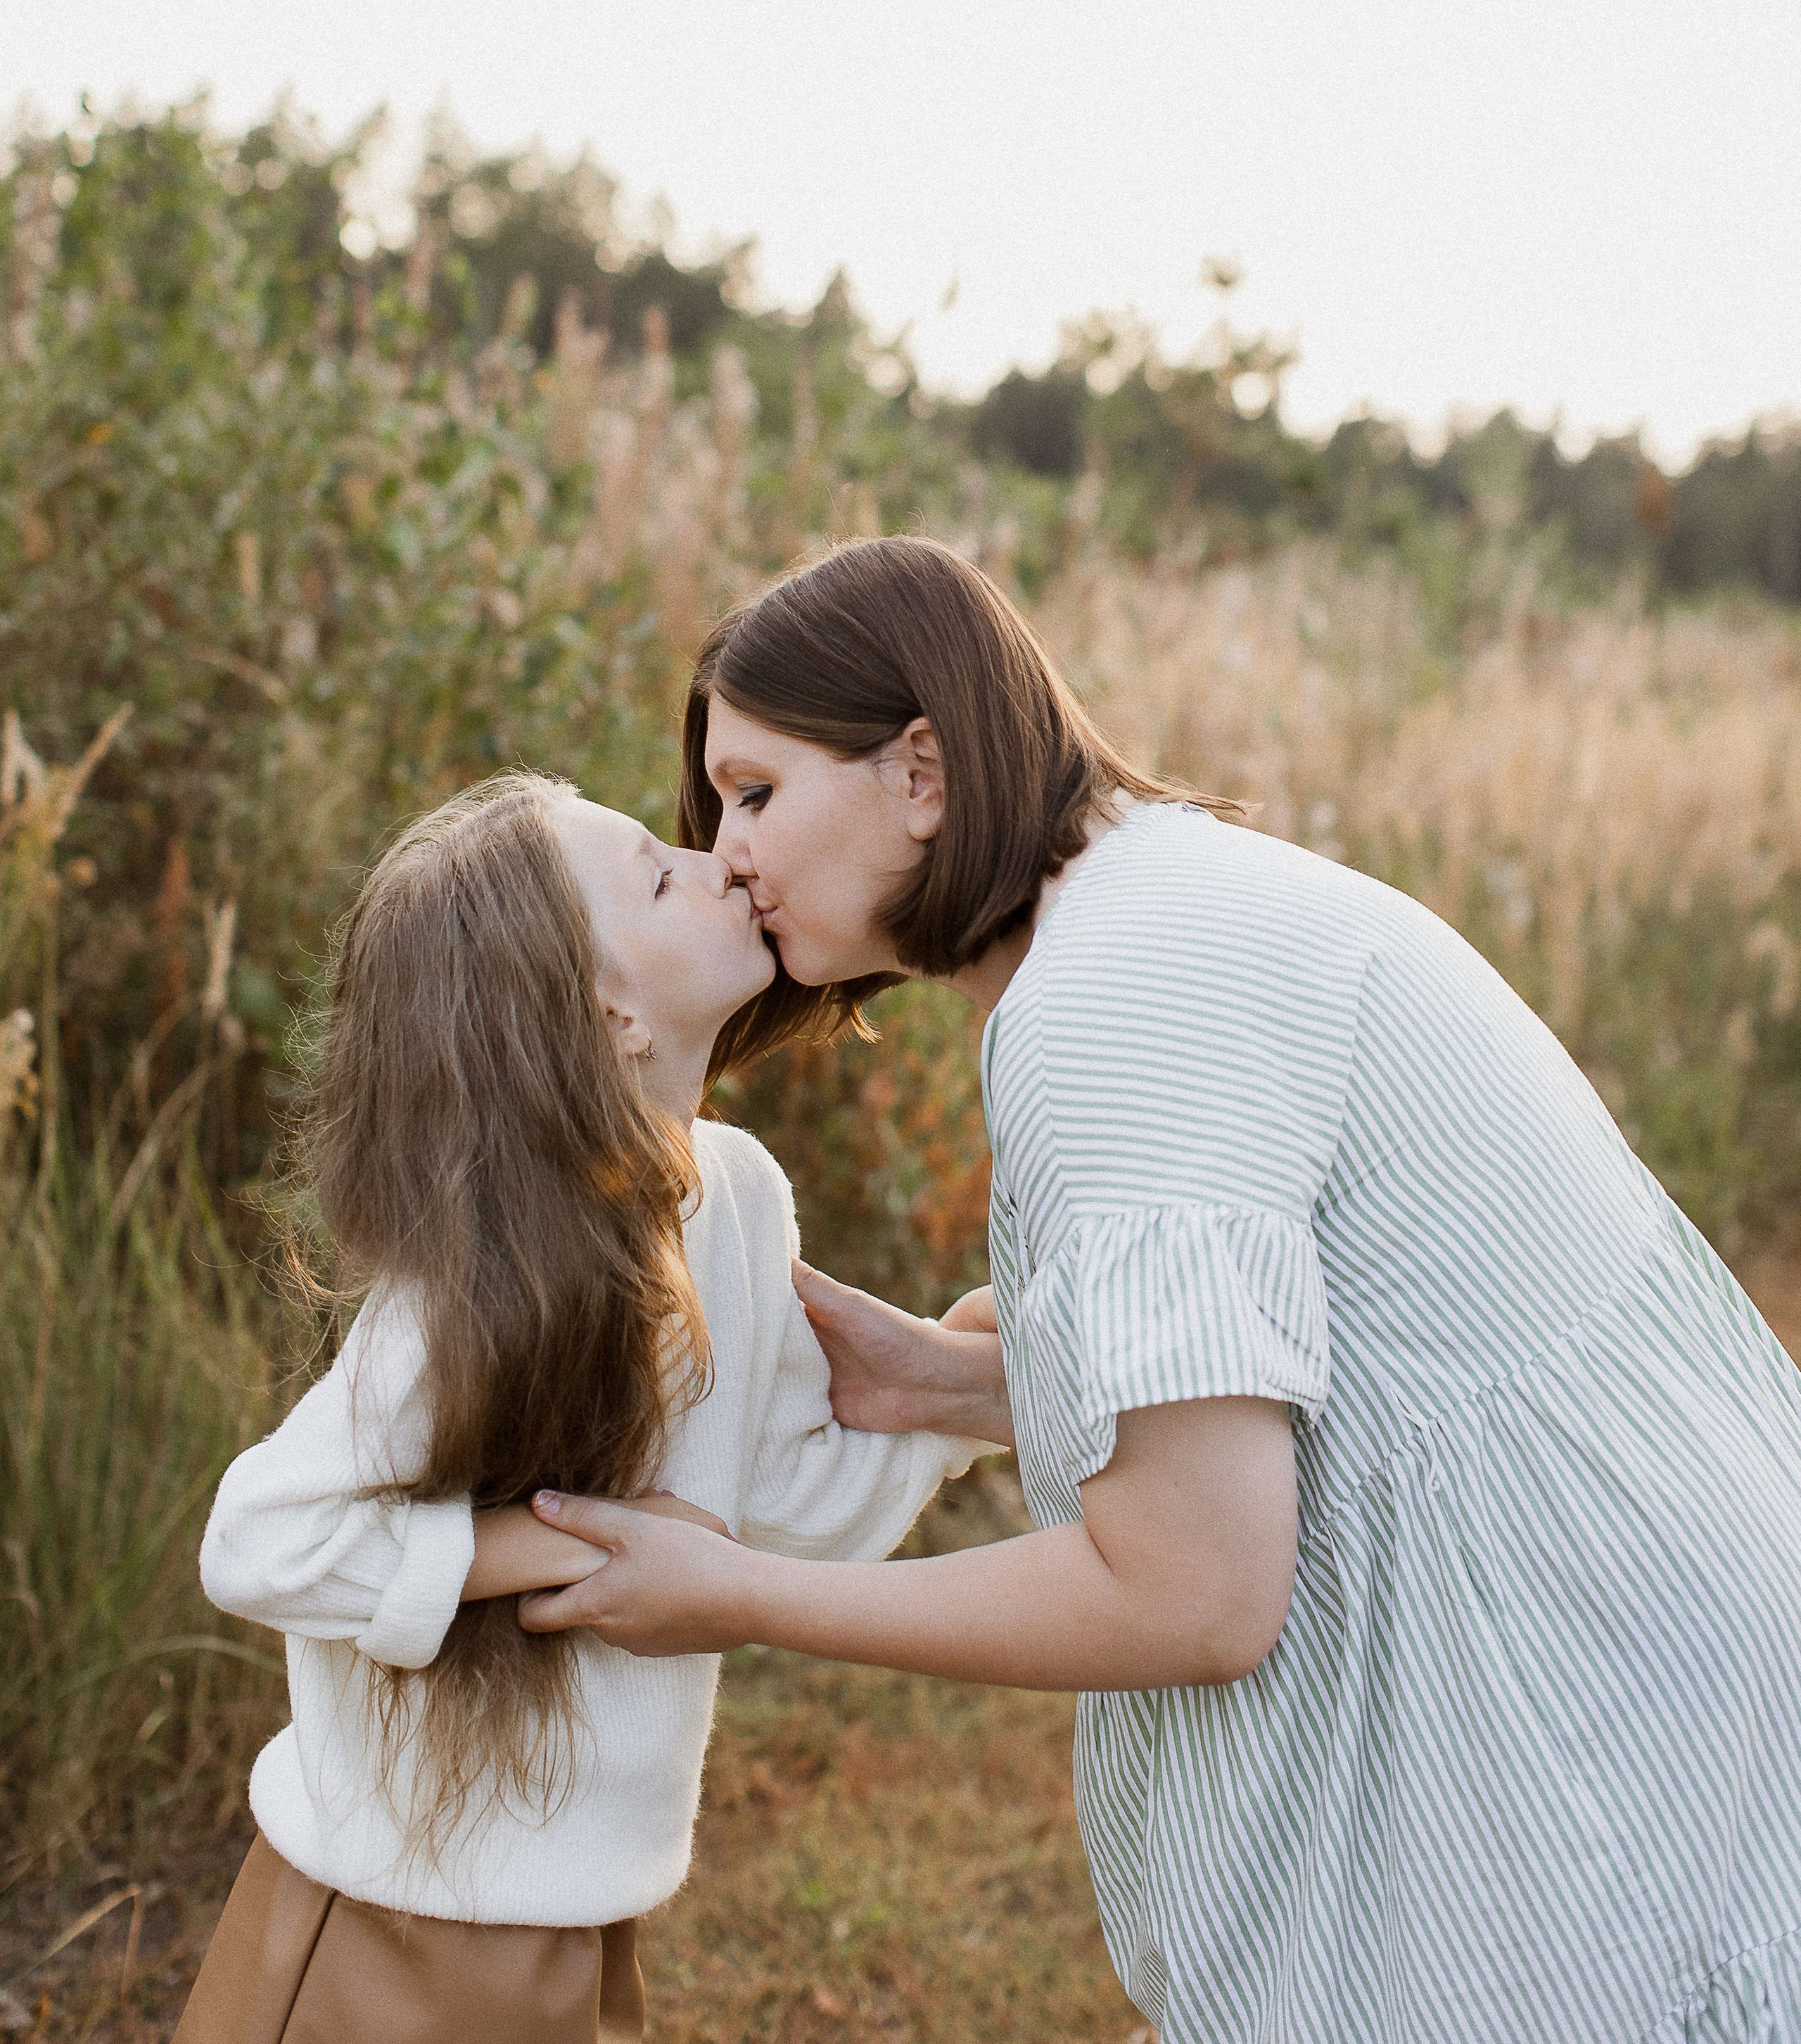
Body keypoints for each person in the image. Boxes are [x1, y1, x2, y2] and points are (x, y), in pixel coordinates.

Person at [520, 534, 1801, 2044]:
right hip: (1645, 1606)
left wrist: (737, 1596)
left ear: (918, 773)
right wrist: (959, 1383)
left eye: (755, 792)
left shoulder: (1111, 1002)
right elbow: (1331, 1351)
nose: (724, 847)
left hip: (1568, 1676)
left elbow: (1192, 1595)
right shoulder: (1154, 904)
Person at [176, 770, 980, 2044]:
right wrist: (564, 1544)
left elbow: (780, 1513)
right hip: (394, 1932)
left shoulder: (737, 1198)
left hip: (583, 1909)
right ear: (608, 1014)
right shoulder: (477, 1283)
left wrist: (964, 1393)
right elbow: (257, 1543)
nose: (713, 855)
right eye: (660, 873)